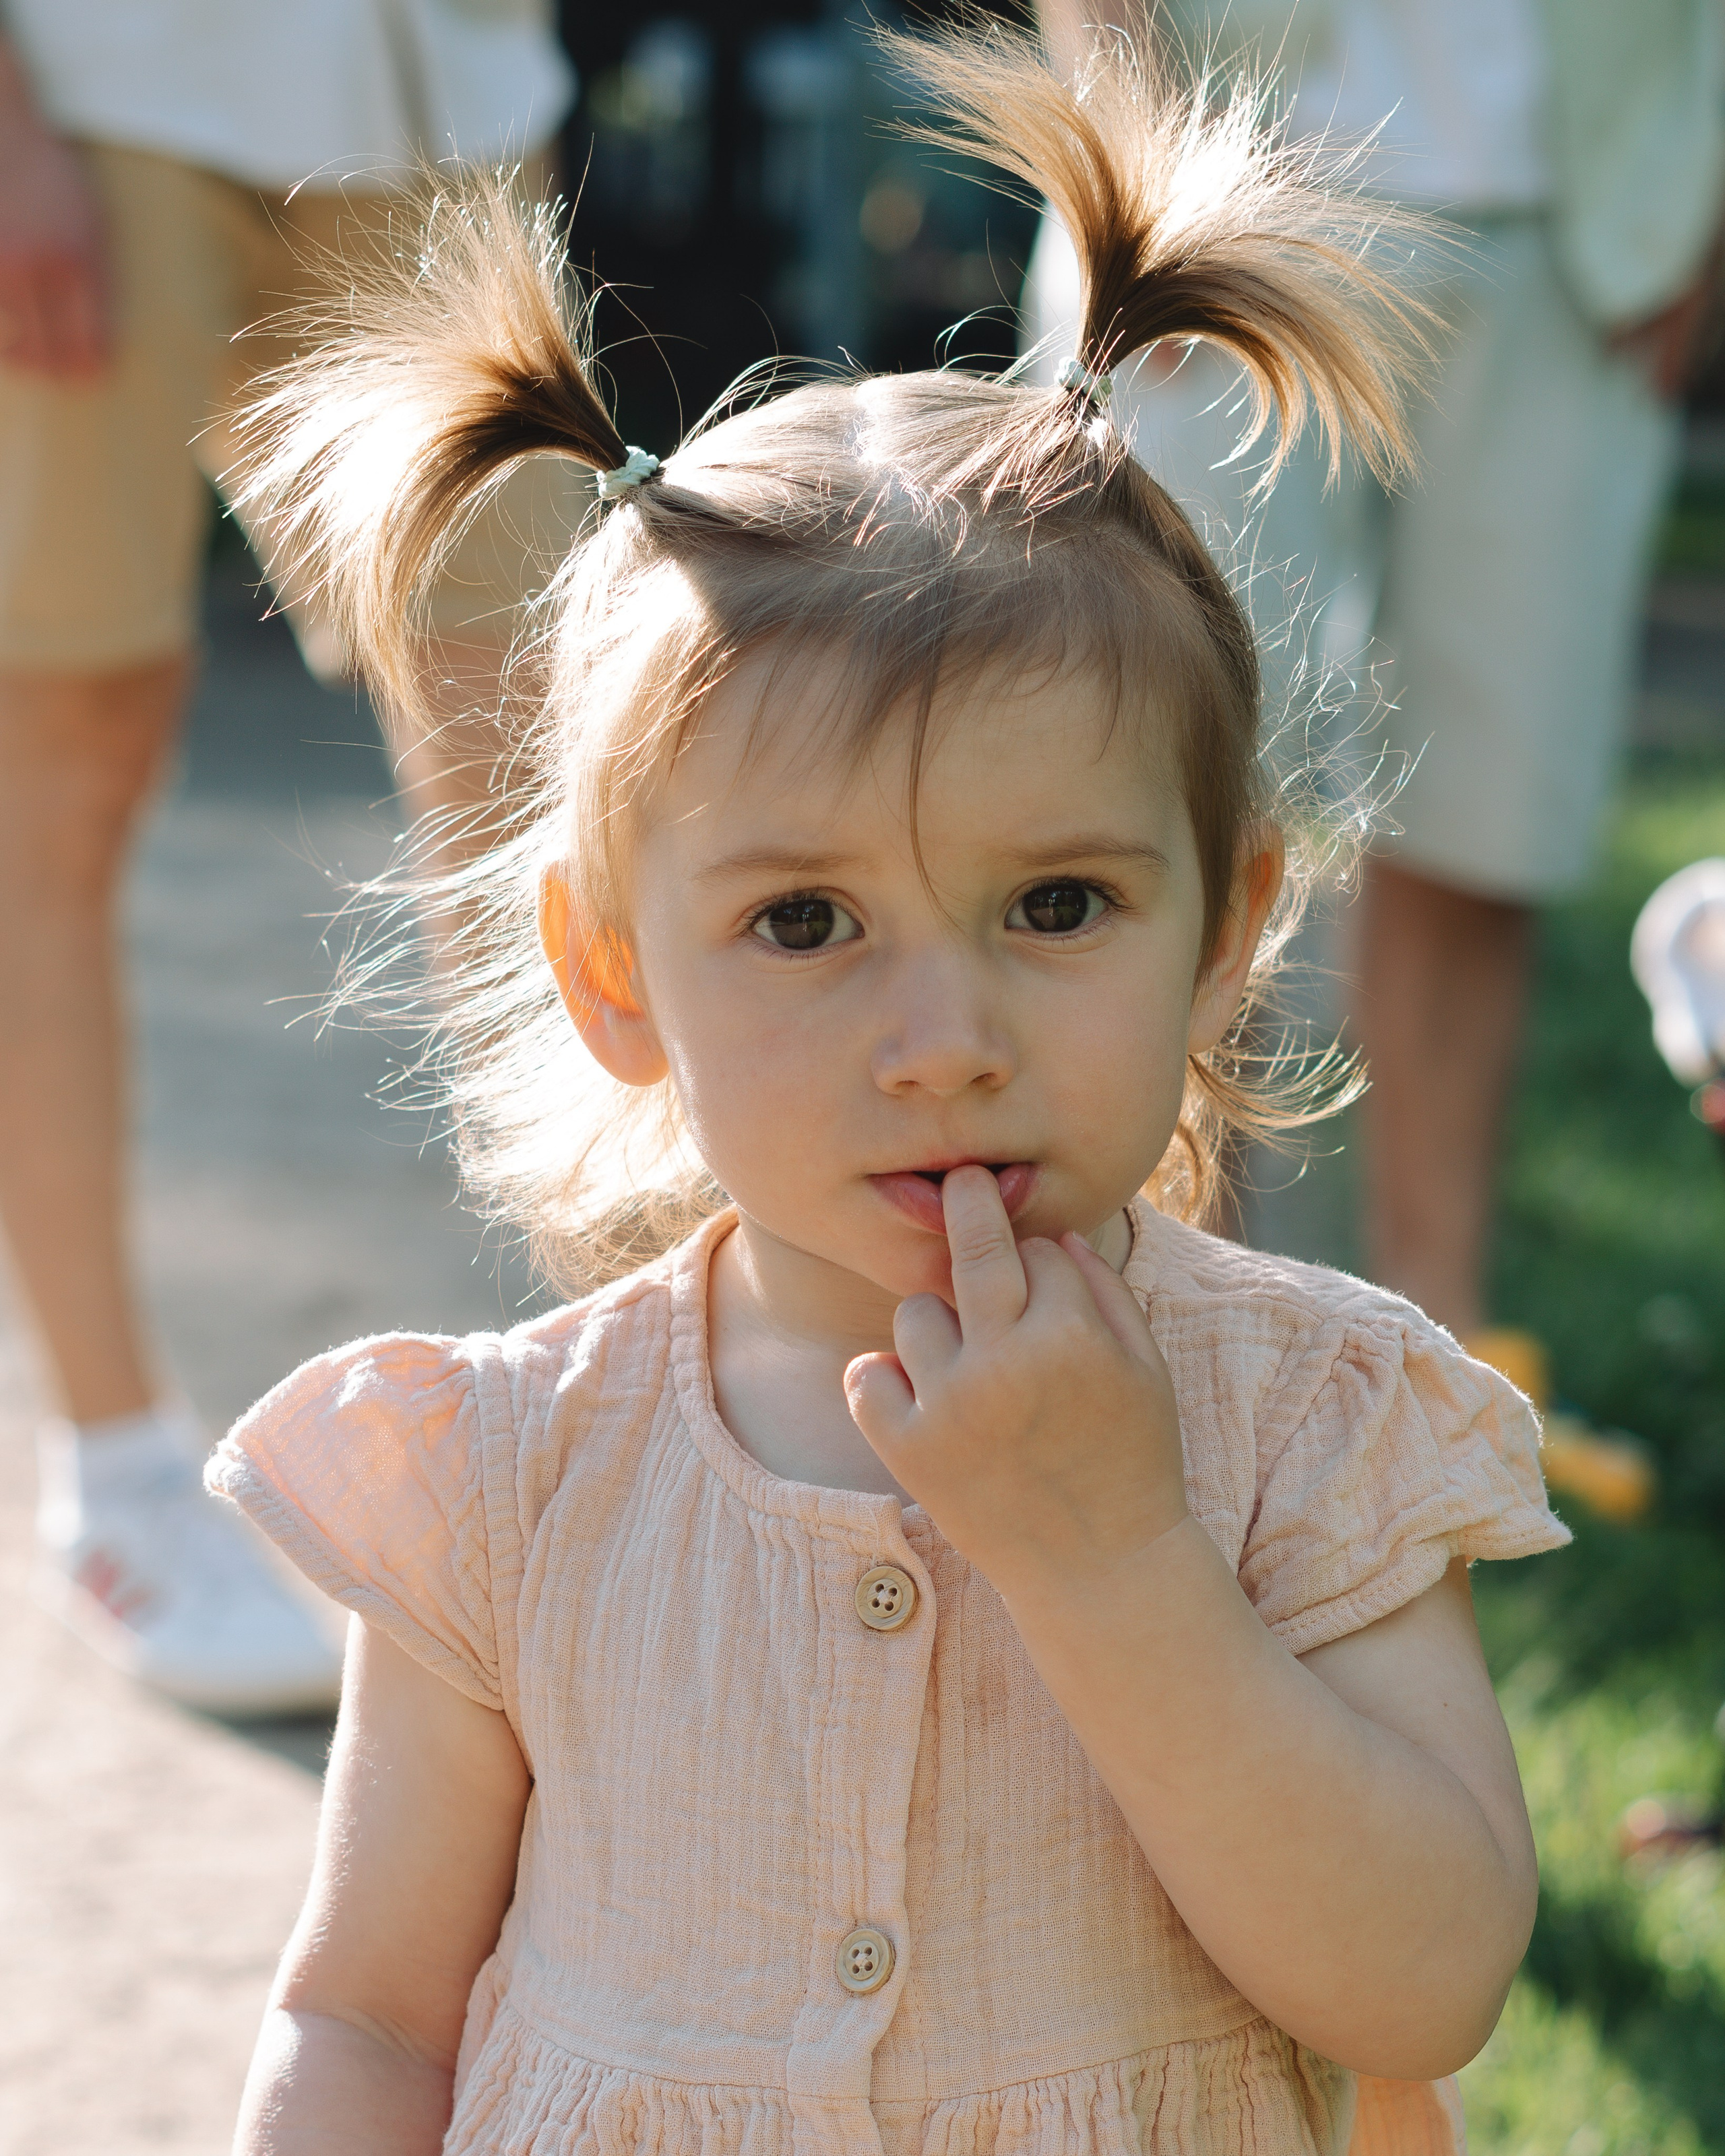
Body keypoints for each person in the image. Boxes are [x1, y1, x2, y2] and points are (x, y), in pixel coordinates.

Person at [202, 23, 1571, 2153]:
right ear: (609, 971)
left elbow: (1424, 1986)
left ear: (1231, 921)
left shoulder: (1310, 1424)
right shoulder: (504, 1482)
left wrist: (1117, 1559)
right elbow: (370, 2020)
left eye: (1057, 904)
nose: (945, 1039)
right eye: (806, 923)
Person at [1027, 0, 1725, 1430]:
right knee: (1158, 799)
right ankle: (1172, 1350)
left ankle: (1435, 1372)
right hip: (1222, 165)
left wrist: (1698, 202)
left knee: (1487, 808)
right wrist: (1122, 118)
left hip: (1583, 216)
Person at [0, 2, 575, 1713]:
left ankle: (660, 1404)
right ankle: (116, 1468)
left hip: (435, 103)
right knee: (64, 762)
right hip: (94, 87)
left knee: (550, 766)